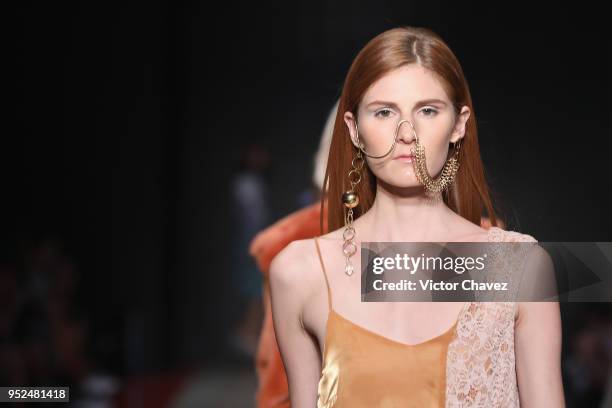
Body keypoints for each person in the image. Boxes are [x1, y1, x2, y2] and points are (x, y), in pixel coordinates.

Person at [269, 26, 564, 407]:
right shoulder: (299, 271)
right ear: (354, 129)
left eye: (427, 110)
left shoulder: (518, 267)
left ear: (458, 124)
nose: (406, 133)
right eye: (384, 112)